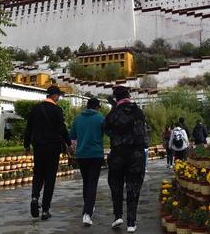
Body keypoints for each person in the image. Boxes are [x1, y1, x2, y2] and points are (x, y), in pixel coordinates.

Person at [24, 85, 72, 220]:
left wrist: (26, 146)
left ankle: (34, 198)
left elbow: (29, 129)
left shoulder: (36, 108)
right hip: (53, 148)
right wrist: (69, 144)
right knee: (50, 178)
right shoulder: (57, 110)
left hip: (38, 147)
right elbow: (62, 129)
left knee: (38, 173)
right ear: (55, 95)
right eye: (59, 96)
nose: (59, 98)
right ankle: (45, 210)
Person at [104, 86, 148, 233]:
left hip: (118, 154)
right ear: (128, 96)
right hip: (136, 154)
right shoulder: (138, 112)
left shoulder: (113, 113)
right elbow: (142, 133)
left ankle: (118, 216)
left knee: (116, 185)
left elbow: (105, 128)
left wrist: (116, 137)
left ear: (116, 98)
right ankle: (131, 222)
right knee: (133, 187)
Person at [69, 98, 105, 227]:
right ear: (96, 107)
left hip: (82, 155)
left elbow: (71, 136)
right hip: (96, 155)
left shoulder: (78, 119)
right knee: (92, 184)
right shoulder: (100, 118)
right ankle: (87, 213)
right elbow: (108, 133)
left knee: (86, 182)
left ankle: (88, 207)